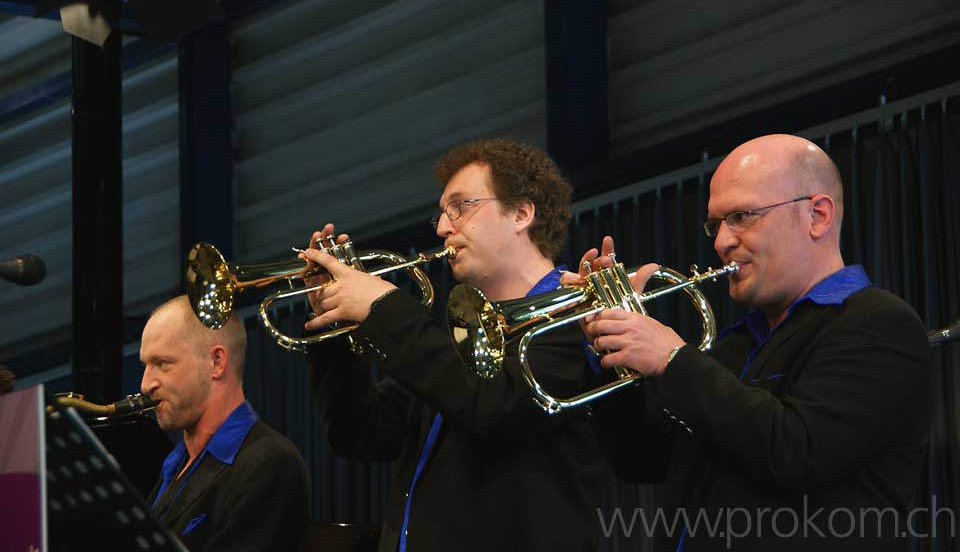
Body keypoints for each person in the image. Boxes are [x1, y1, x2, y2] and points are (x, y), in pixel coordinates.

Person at [577, 134, 930, 551]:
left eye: (742, 216)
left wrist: (672, 359)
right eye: (715, 225)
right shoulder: (735, 346)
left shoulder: (878, 323)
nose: (721, 242)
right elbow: (643, 460)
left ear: (817, 215)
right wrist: (612, 347)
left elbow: (797, 452)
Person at [301, 139, 606, 551]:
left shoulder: (577, 322)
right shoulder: (460, 345)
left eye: (461, 206)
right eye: (442, 214)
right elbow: (358, 431)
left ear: (521, 213)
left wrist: (383, 306)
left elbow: (489, 405)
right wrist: (332, 326)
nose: (444, 227)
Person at [140, 295, 310, 551]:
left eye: (162, 364)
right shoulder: (175, 464)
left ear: (216, 362)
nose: (145, 384)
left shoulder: (271, 462)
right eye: (145, 365)